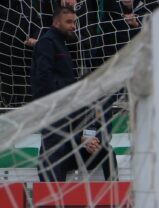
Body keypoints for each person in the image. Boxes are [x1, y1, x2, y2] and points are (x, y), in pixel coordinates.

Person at [31, 5, 117, 183]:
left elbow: (104, 128)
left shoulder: (61, 44)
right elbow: (43, 78)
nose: (73, 26)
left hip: (72, 131)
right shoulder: (47, 42)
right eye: (68, 22)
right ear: (56, 22)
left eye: (74, 22)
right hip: (54, 111)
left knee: (103, 150)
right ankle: (53, 204)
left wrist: (92, 139)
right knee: (54, 156)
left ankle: (118, 200)